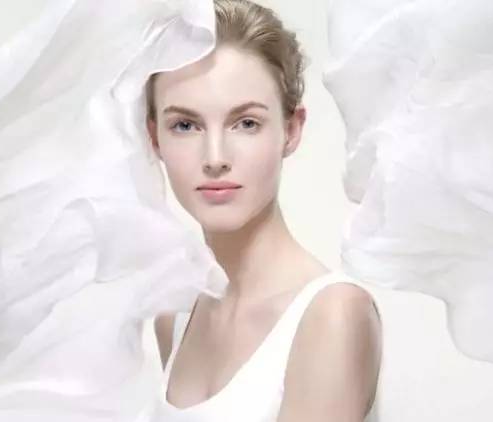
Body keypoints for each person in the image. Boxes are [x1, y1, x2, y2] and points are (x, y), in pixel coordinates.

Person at [146, 1, 382, 421]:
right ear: (154, 138)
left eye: (246, 123)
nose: (215, 158)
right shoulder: (175, 317)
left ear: (291, 130)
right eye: (185, 125)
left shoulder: (333, 315)